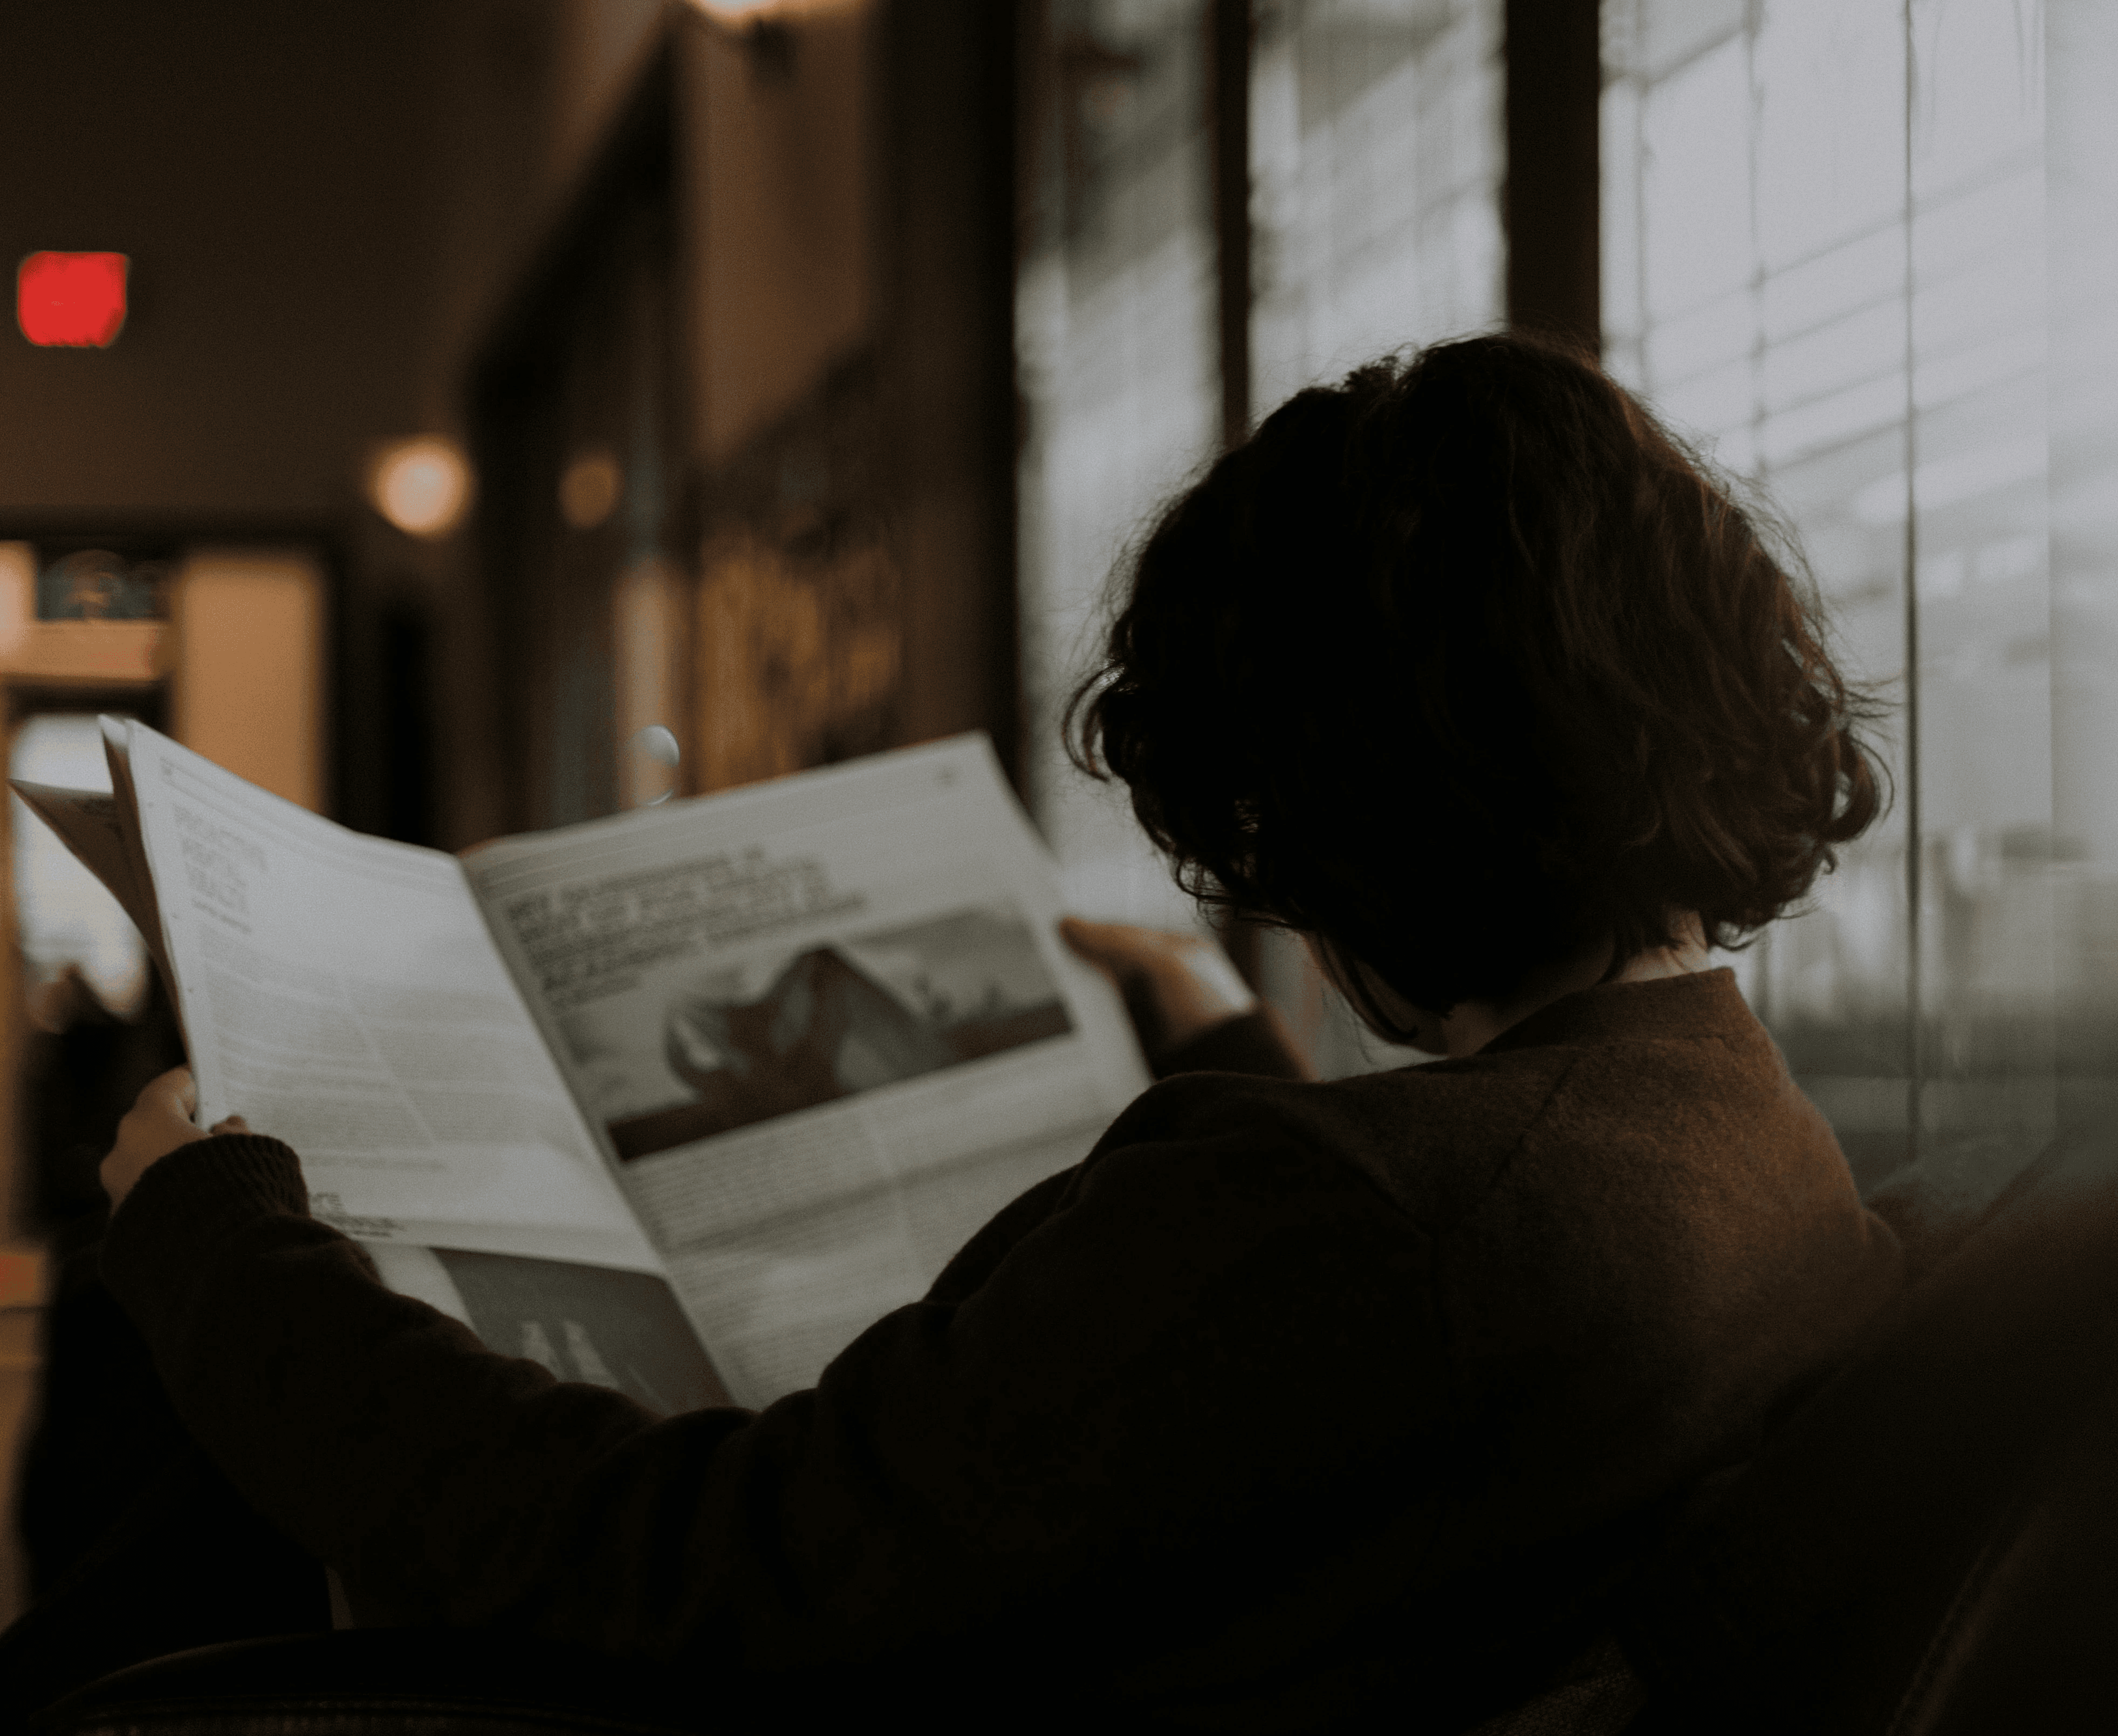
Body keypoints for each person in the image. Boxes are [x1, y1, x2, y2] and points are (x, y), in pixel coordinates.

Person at [3, 332, 1903, 1731]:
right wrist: (1212, 1042)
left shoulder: (1344, 1224)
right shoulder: (1740, 1154)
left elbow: (685, 1571)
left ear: (1321, 810)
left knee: (149, 1375)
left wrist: (215, 1233)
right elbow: (1329, 1330)